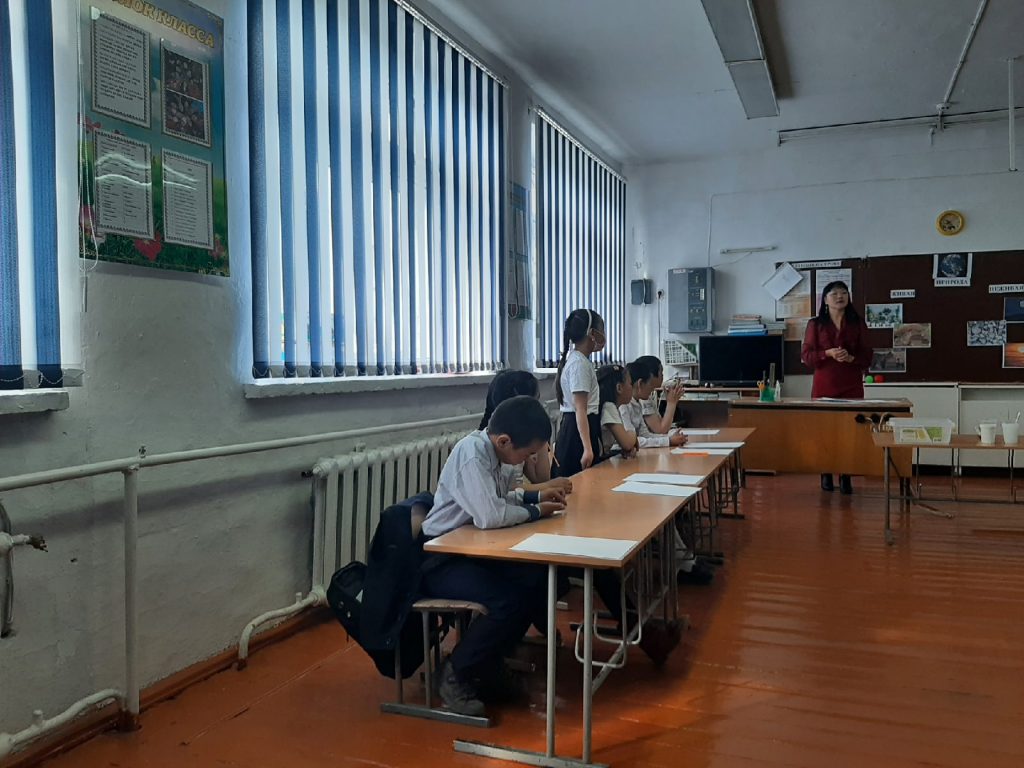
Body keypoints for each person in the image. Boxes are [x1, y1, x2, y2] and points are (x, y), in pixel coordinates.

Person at [420, 396, 567, 716]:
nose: (526, 460)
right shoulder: (472, 455)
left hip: (471, 549)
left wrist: (535, 498)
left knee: (535, 580)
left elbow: (500, 497)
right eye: (526, 454)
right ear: (504, 441)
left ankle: (487, 663)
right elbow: (490, 515)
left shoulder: (493, 454)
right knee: (506, 601)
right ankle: (456, 673)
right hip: (441, 558)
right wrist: (536, 511)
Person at [801, 280, 873, 494]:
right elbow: (806, 357)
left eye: (843, 292)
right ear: (825, 299)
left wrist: (851, 358)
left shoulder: (857, 323)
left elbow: (867, 356)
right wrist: (828, 353)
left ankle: (846, 475)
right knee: (825, 431)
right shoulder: (815, 324)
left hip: (851, 384)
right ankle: (826, 472)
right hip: (825, 384)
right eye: (834, 293)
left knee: (849, 431)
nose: (840, 296)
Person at [479, 369, 571, 491]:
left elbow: (541, 478)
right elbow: (505, 491)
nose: (537, 408)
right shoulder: (493, 446)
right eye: (535, 401)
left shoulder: (523, 437)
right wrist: (548, 486)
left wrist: (539, 438)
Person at [553, 309, 605, 476]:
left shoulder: (581, 361)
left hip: (582, 427)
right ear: (592, 333)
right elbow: (580, 409)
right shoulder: (579, 365)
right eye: (602, 330)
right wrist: (587, 448)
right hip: (576, 433)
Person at [620, 360, 687, 449]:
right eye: (650, 385)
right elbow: (631, 441)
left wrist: (669, 438)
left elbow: (645, 435)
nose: (652, 389)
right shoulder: (623, 406)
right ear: (640, 383)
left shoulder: (637, 403)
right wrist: (668, 441)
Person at [634, 355, 684, 435]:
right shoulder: (643, 398)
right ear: (651, 375)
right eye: (661, 372)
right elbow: (661, 430)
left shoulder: (647, 395)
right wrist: (671, 403)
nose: (663, 376)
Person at [597, 364, 638, 459]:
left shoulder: (611, 407)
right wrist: (633, 436)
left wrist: (625, 449)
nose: (632, 388)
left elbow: (624, 444)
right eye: (630, 384)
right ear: (619, 388)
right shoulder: (608, 407)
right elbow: (627, 443)